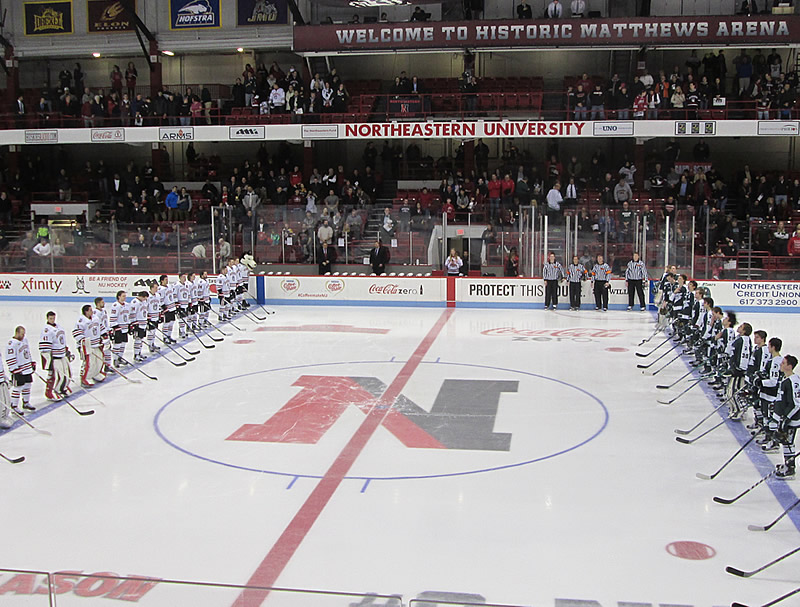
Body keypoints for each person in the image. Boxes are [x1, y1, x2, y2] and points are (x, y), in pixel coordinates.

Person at [769, 354, 800, 478]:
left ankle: (790, 468)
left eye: (783, 363)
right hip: (785, 418)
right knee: (786, 442)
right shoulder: (786, 379)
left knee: (788, 443)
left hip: (791, 419)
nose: (780, 365)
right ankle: (787, 464)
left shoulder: (792, 381)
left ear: (789, 366)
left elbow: (797, 404)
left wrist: (786, 419)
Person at [39, 311, 73, 401]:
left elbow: (62, 341)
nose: (52, 320)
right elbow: (44, 348)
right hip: (55, 357)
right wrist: (48, 361)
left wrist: (66, 350)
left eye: (53, 318)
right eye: (50, 318)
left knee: (68, 374)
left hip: (62, 355)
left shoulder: (59, 327)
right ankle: (52, 392)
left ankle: (62, 389)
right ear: (47, 318)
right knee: (57, 376)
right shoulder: (46, 330)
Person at [7, 326, 35, 415]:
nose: (23, 335)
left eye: (24, 333)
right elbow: (10, 357)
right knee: (18, 387)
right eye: (22, 334)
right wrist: (14, 369)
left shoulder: (24, 340)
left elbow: (27, 352)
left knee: (28, 385)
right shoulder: (11, 344)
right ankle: (14, 406)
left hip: (27, 369)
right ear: (17, 333)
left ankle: (26, 403)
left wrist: (31, 363)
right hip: (18, 370)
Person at [109, 290, 132, 367]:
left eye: (125, 296)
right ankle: (115, 359)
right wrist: (115, 327)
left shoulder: (127, 305)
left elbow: (128, 316)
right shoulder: (115, 306)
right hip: (118, 329)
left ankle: (120, 358)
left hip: (125, 328)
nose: (125, 297)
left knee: (123, 344)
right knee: (117, 345)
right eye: (123, 296)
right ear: (119, 296)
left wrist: (129, 325)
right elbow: (112, 318)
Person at [130, 291, 149, 362]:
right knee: (137, 340)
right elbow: (132, 314)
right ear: (142, 296)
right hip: (138, 324)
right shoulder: (135, 302)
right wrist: (134, 324)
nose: (145, 300)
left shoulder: (144, 302)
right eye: (145, 298)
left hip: (143, 324)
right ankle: (136, 355)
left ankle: (139, 353)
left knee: (141, 339)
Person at [0, 346, 13, 429]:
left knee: (6, 400)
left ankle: (5, 416)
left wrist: (5, 378)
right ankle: (1, 419)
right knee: (1, 403)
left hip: (2, 380)